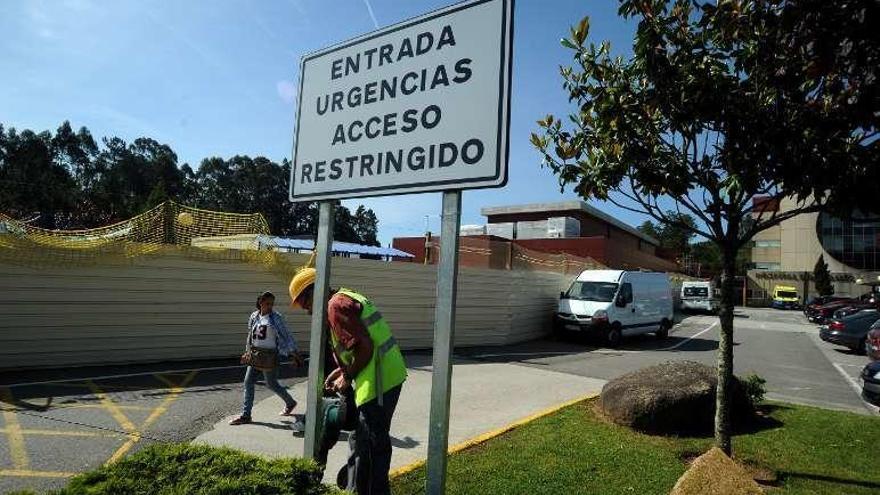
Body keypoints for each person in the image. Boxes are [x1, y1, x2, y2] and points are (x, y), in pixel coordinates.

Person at [289, 268, 407, 495]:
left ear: (315, 290)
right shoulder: (344, 297)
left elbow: (365, 347)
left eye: (305, 302)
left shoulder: (335, 306)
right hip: (384, 377)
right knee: (360, 441)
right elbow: (356, 346)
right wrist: (342, 370)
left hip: (378, 382)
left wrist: (348, 376)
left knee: (370, 449)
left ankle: (368, 489)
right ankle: (356, 487)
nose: (306, 310)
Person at [229, 291, 303, 425]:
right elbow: (250, 336)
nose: (270, 306)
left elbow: (286, 335)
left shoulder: (276, 318)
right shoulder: (254, 316)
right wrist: (247, 352)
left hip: (270, 356)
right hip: (255, 355)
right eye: (267, 303)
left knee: (271, 384)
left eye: (272, 304)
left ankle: (290, 402)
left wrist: (293, 353)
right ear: (260, 302)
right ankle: (246, 415)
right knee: (248, 382)